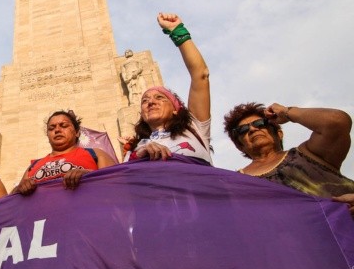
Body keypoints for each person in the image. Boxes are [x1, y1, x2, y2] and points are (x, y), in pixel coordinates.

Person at [126, 13, 212, 164]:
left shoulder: (194, 127)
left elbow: (201, 75)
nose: (150, 102)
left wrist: (177, 31)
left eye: (160, 97)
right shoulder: (135, 149)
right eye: (145, 101)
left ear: (175, 108)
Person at [223, 102, 354, 200]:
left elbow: (337, 122)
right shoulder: (235, 182)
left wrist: (287, 113)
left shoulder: (309, 154)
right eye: (242, 130)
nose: (252, 130)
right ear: (240, 146)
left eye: (260, 124)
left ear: (279, 134)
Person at [13, 110, 117, 195]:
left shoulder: (96, 154)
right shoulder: (33, 166)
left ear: (77, 132)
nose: (57, 130)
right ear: (48, 135)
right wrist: (19, 189)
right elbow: (10, 200)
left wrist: (88, 175)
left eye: (63, 126)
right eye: (51, 128)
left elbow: (117, 185)